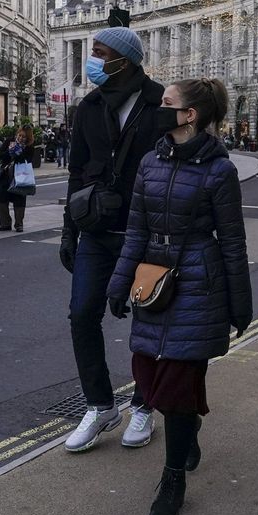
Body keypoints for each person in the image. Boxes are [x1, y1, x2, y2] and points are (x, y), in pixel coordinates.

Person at [107, 77, 253, 515]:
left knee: (178, 378)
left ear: (189, 115)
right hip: (154, 278)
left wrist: (239, 303)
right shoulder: (150, 162)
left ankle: (173, 479)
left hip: (198, 280)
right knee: (149, 375)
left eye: (167, 103)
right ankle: (187, 428)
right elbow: (136, 230)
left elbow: (232, 241)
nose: (159, 107)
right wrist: (118, 282)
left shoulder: (219, 171)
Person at [60, 27, 170, 453]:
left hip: (145, 234)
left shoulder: (159, 101)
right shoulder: (88, 106)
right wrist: (69, 231)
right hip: (96, 231)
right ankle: (100, 405)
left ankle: (144, 404)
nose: (94, 61)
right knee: (82, 313)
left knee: (149, 320)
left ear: (124, 59)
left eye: (101, 53)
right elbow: (76, 171)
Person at [0, 126, 34, 232]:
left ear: (27, 138)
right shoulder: (9, 141)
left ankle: (19, 224)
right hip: (5, 174)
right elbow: (0, 155)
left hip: (20, 175)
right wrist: (10, 151)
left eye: (23, 137)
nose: (20, 138)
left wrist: (20, 153)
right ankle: (5, 223)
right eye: (19, 135)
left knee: (19, 200)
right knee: (1, 199)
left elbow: (29, 160)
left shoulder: (29, 147)